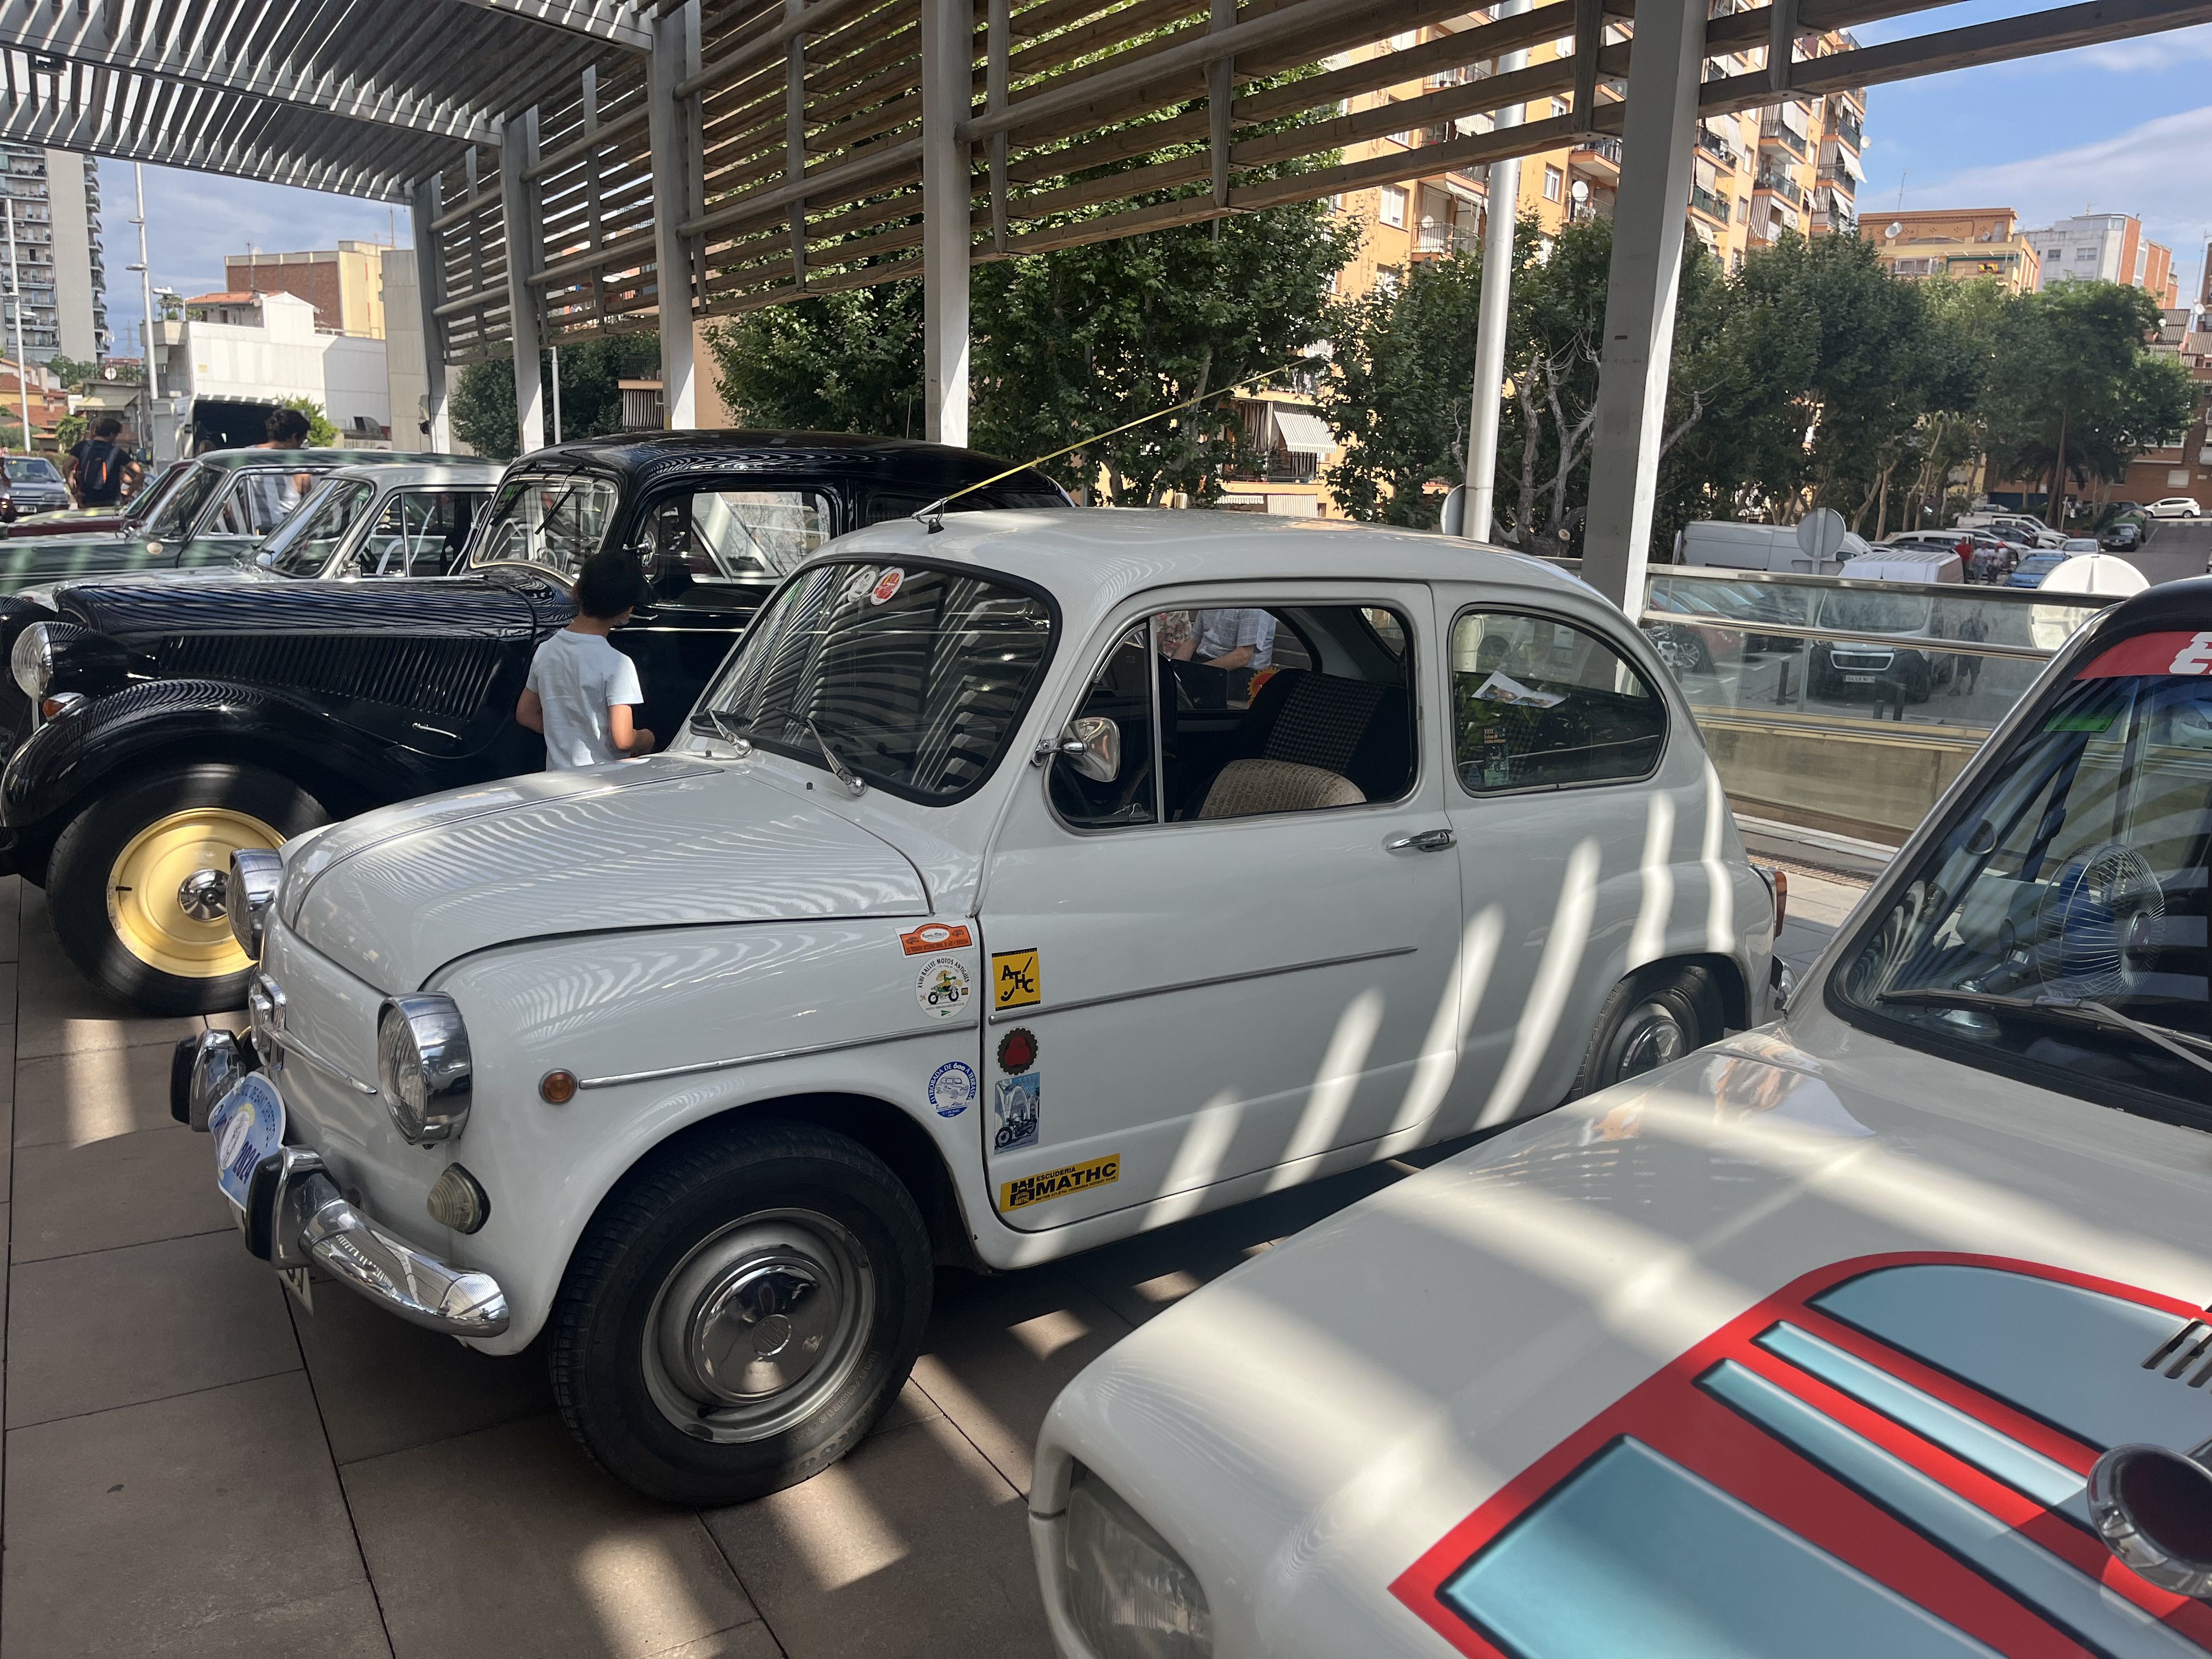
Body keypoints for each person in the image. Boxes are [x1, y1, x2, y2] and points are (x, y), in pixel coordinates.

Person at [516, 550, 657, 769]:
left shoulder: (545, 651)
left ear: (576, 591)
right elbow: (623, 740)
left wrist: (562, 730)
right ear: (626, 612)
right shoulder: (618, 665)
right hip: (601, 784)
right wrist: (647, 738)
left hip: (555, 780)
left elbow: (525, 714)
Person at [250, 407, 315, 529]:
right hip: (289, 531)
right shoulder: (299, 465)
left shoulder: (247, 457)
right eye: (303, 440)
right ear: (294, 438)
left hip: (254, 531)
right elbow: (309, 505)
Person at [64, 415, 142, 508]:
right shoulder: (117, 452)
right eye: (116, 436)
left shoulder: (82, 447)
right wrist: (128, 493)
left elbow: (67, 468)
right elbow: (140, 474)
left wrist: (75, 492)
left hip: (87, 502)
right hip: (112, 502)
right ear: (112, 434)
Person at [1172, 608, 1277, 671]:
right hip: (1204, 664)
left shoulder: (1253, 605)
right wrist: (1174, 670)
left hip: (1239, 673)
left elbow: (1243, 657)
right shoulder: (1212, 598)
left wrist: (1198, 672)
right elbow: (1192, 643)